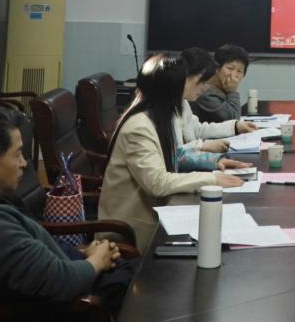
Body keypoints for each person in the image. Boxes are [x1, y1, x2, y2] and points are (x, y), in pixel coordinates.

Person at [0, 105, 130, 307]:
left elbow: (32, 256)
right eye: (17, 154)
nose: (24, 163)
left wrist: (82, 255)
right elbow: (63, 282)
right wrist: (97, 261)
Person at [98, 54, 250, 252]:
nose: (201, 88)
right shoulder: (139, 127)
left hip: (159, 212)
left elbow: (173, 155)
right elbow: (157, 183)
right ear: (170, 88)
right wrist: (211, 179)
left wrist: (213, 162)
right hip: (133, 229)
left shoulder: (159, 117)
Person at [175, 47, 257, 162]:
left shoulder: (182, 101)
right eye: (202, 81)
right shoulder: (166, 104)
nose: (205, 87)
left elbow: (198, 129)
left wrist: (235, 126)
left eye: (239, 71)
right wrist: (201, 146)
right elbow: (175, 154)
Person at [191, 44, 249, 123]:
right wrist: (233, 91)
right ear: (217, 68)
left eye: (239, 71)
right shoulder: (205, 92)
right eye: (230, 68)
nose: (234, 75)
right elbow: (233, 119)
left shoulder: (224, 88)